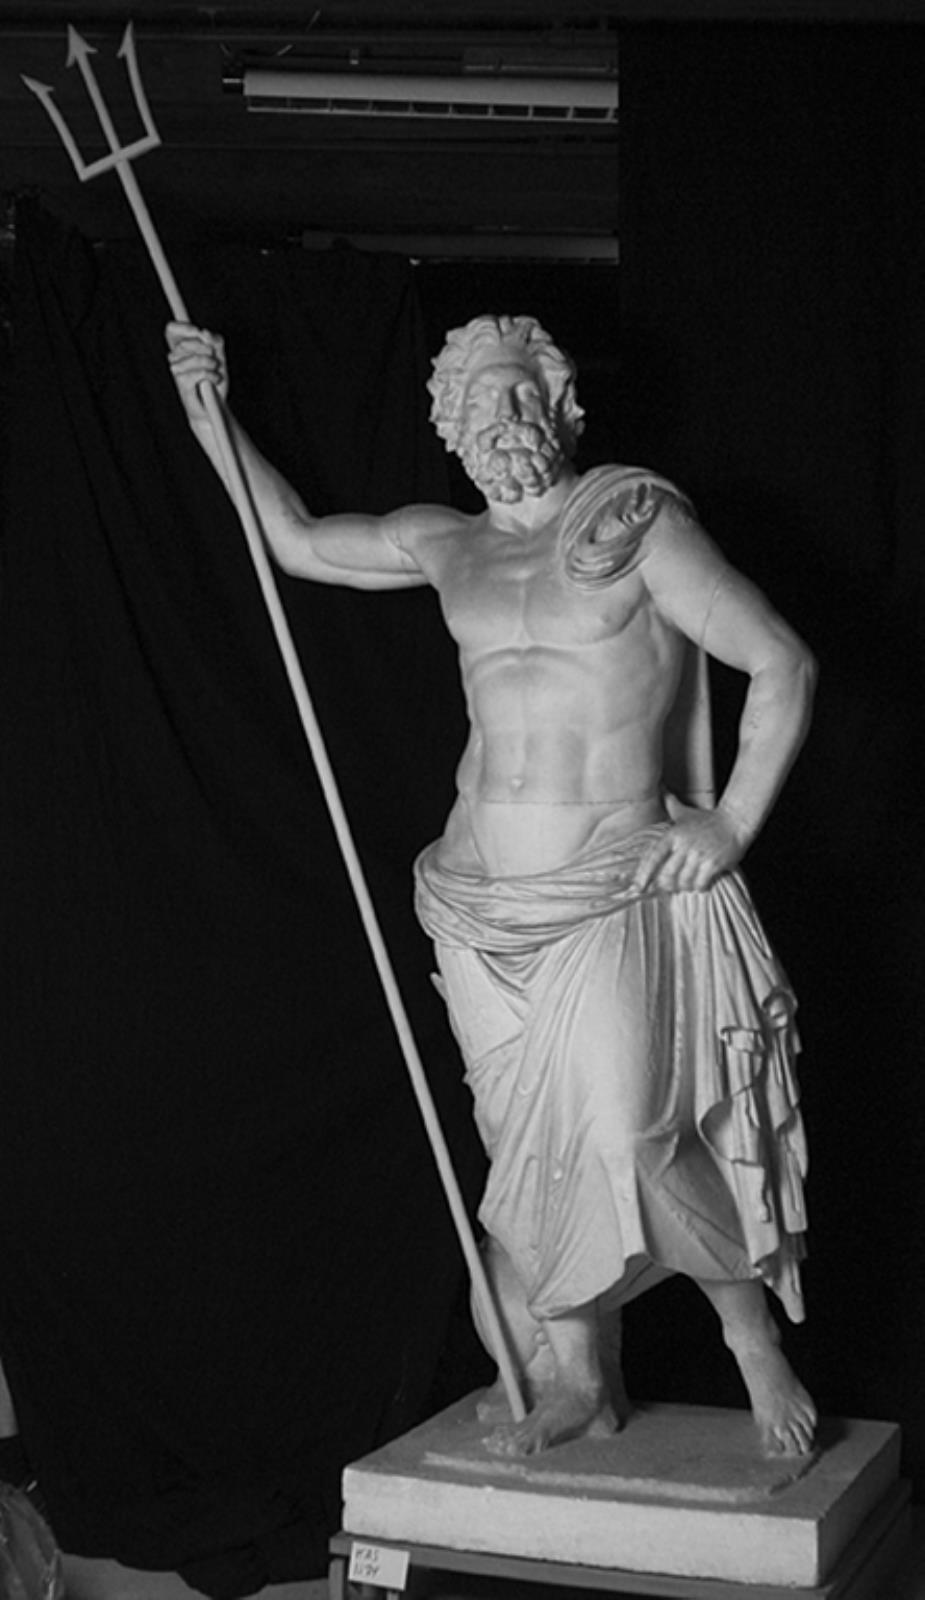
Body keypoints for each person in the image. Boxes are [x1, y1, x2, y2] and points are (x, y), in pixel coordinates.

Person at [166, 312, 818, 1461]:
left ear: (561, 406)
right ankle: (582, 1381)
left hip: (608, 885)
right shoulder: (444, 543)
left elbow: (779, 659)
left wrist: (729, 822)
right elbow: (300, 542)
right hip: (475, 905)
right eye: (479, 402)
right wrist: (209, 415)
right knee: (529, 1165)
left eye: (520, 392)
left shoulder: (630, 526)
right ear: (451, 429)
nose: (502, 417)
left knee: (636, 1135)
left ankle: (750, 1338)